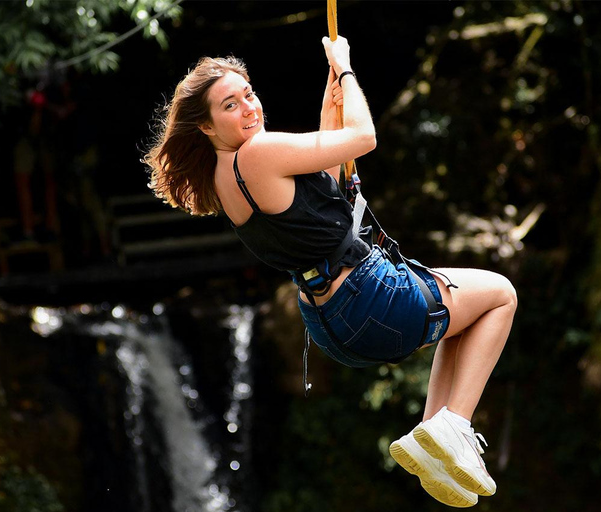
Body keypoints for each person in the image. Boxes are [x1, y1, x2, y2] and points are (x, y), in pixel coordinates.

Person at [144, 36, 517, 508]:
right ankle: (454, 425)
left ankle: (435, 436)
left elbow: (330, 176)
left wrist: (330, 94)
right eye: (230, 104)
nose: (248, 109)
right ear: (205, 124)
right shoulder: (257, 154)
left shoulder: (226, 179)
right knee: (501, 295)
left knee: (457, 321)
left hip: (332, 324)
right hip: (372, 298)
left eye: (249, 94)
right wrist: (345, 69)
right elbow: (364, 139)